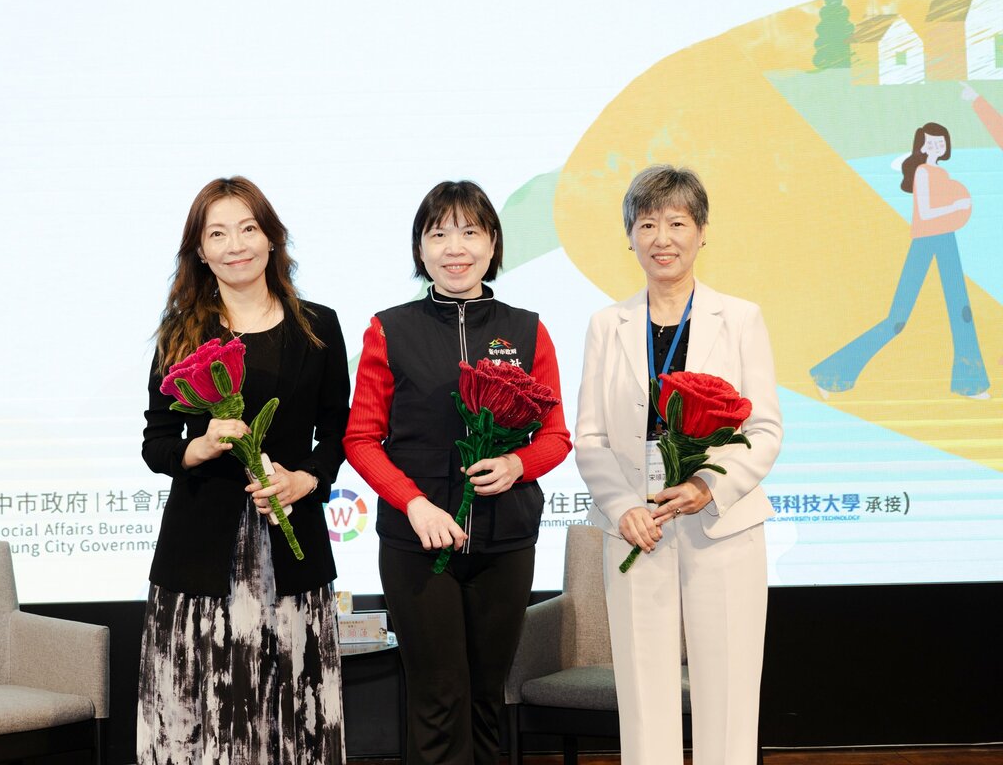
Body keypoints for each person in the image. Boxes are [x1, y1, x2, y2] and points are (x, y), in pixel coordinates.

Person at [344, 180, 571, 765]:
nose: (455, 247)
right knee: (438, 696)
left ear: (493, 243)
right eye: (438, 233)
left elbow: (556, 436)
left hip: (507, 539)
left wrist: (519, 464)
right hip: (417, 542)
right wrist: (413, 503)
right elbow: (361, 439)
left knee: (487, 698)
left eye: (470, 231)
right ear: (420, 250)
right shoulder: (388, 329)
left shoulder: (528, 329)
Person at [575, 165, 783, 765]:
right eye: (647, 224)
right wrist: (622, 508)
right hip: (635, 522)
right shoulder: (605, 324)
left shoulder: (740, 318)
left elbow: (765, 429)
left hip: (722, 521)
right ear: (630, 236)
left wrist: (704, 486)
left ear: (701, 232)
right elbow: (589, 435)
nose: (661, 238)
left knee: (729, 687)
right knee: (643, 690)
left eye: (677, 222)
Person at [137, 176, 350, 764]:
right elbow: (157, 442)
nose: (237, 245)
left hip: (291, 548)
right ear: (200, 251)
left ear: (272, 238)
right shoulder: (182, 332)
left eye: (249, 228)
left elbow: (338, 432)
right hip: (199, 556)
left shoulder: (318, 326)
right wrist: (198, 447)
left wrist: (306, 480)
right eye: (218, 233)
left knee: (289, 719)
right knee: (203, 721)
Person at [810, 122, 990, 399]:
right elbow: (927, 213)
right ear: (920, 145)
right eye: (930, 143)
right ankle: (831, 374)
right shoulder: (922, 173)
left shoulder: (940, 171)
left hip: (946, 239)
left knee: (961, 313)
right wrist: (957, 206)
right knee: (897, 319)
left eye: (940, 142)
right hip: (927, 240)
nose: (935, 147)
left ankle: (971, 383)